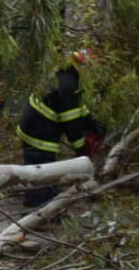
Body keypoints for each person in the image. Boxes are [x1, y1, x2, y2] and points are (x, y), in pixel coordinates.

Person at [16, 49, 105, 208]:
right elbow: (71, 123)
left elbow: (74, 106)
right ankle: (34, 212)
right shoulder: (69, 85)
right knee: (41, 175)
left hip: (32, 126)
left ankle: (48, 206)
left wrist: (89, 120)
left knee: (44, 172)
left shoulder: (64, 74)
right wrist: (81, 150)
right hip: (39, 134)